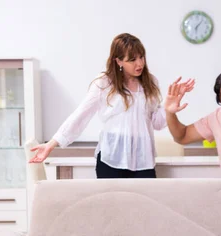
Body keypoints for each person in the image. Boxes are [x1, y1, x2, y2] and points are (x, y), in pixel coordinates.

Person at [29, 33, 166, 178]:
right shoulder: (104, 83)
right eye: (132, 59)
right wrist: (51, 144)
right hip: (111, 158)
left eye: (141, 57)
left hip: (142, 158)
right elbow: (81, 114)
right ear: (118, 61)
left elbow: (156, 123)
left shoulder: (150, 82)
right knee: (110, 201)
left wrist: (170, 107)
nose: (139, 63)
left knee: (144, 201)